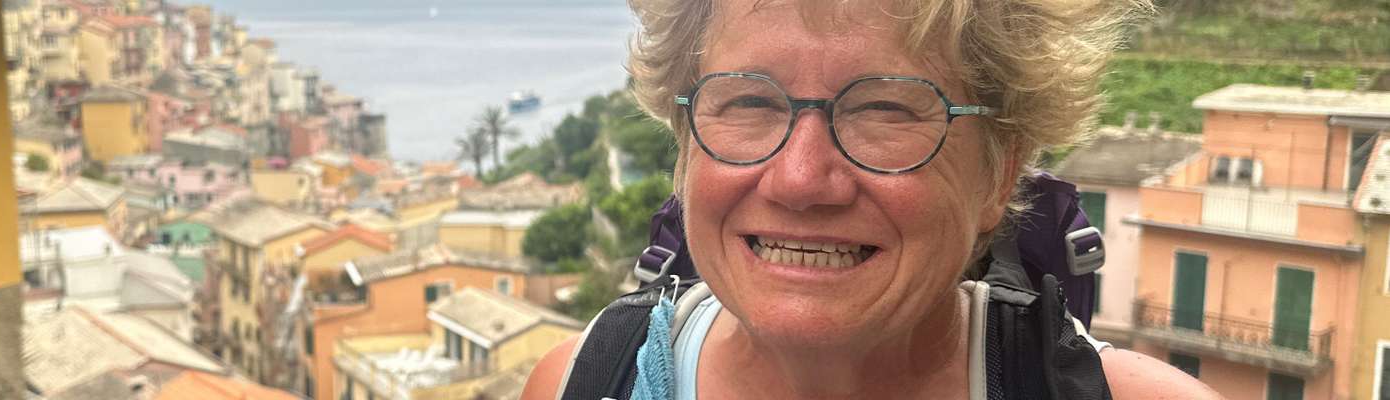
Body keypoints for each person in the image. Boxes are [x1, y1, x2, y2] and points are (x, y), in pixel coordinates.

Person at [522, 0, 1222, 398]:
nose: (800, 179)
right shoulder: (581, 382)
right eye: (749, 102)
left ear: (998, 175)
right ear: (685, 149)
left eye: (886, 110)